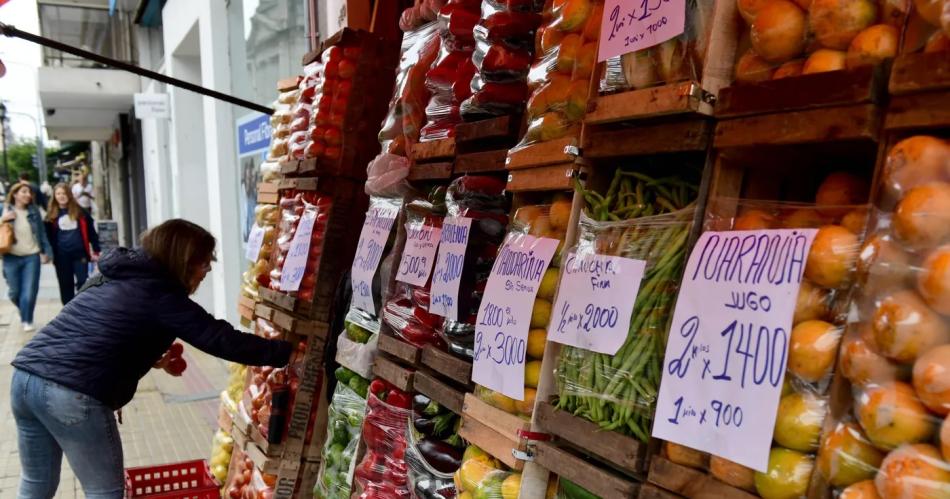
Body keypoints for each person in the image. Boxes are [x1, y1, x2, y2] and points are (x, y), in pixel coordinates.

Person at [11, 219, 293, 499]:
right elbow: (221, 339)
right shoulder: (161, 294)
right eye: (204, 262)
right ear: (183, 259)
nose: (207, 270)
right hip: (71, 393)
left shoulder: (114, 274)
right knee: (105, 492)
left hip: (25, 379)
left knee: (37, 484)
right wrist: (287, 352)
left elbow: (98, 330)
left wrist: (146, 355)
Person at [1, 182, 52, 332]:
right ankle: (23, 309)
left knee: (29, 291)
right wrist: (3, 219)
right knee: (14, 292)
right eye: (24, 192)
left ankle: (27, 320)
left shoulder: (34, 211)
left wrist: (47, 252)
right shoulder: (3, 209)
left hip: (32, 256)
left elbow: (42, 233)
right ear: (15, 194)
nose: (28, 195)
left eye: (29, 193)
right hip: (10, 257)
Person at [45, 183, 100, 304]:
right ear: (54, 196)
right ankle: (68, 309)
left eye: (64, 193)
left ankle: (81, 306)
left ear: (69, 195)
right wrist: (47, 253)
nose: (61, 196)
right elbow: (47, 237)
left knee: (82, 281)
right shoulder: (51, 216)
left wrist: (96, 250)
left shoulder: (81, 212)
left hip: (80, 254)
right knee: (66, 285)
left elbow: (91, 232)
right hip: (61, 256)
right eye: (58, 194)